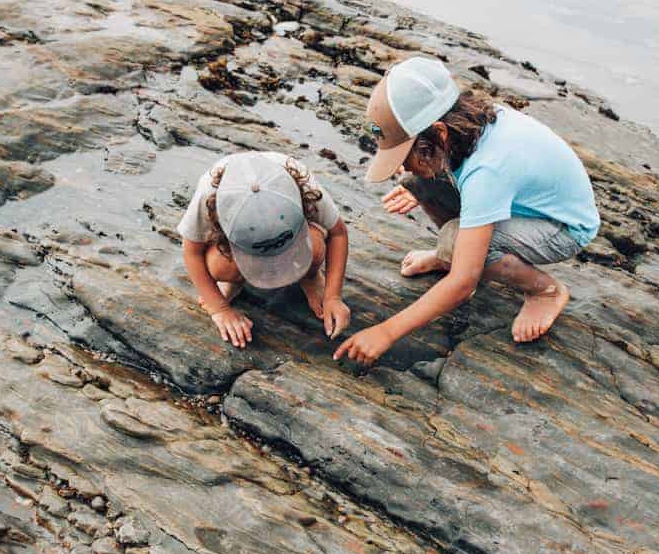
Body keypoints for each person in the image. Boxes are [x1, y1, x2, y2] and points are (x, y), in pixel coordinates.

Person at [335, 56, 599, 366]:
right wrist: (419, 183)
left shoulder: (487, 170)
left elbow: (464, 285)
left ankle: (544, 292)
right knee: (417, 183)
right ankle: (456, 256)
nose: (402, 165)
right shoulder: (468, 126)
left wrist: (385, 332)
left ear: (439, 133)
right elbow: (439, 173)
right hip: (523, 204)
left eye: (407, 155)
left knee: (456, 243)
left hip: (562, 228)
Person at [179, 151, 351, 348]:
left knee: (316, 246)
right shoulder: (207, 196)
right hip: (232, 238)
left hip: (294, 229)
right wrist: (219, 308)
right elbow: (191, 252)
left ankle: (309, 276)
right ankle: (235, 281)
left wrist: (333, 296)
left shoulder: (304, 183)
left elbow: (338, 233)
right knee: (220, 267)